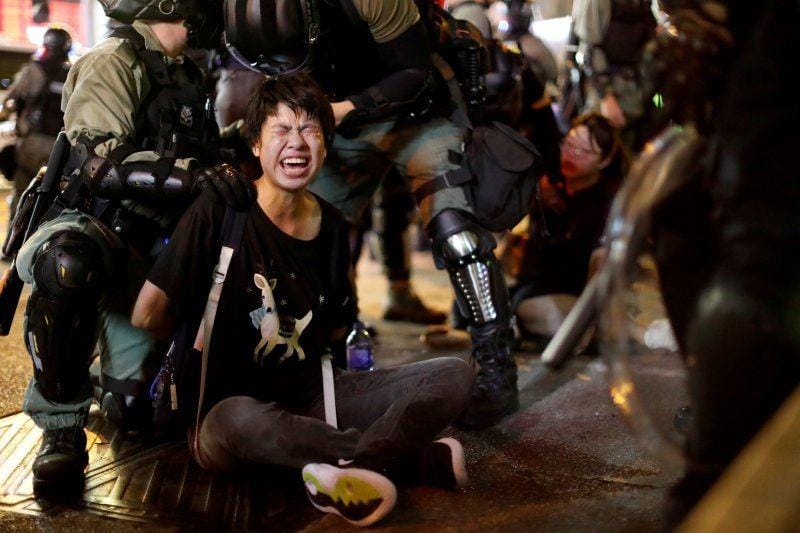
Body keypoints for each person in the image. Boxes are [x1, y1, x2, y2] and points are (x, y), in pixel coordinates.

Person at [132, 73, 475, 527]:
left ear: (325, 147)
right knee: (241, 419)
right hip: (225, 412)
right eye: (281, 130)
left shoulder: (333, 227)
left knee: (452, 374)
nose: (297, 143)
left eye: (310, 130)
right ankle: (394, 462)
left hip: (316, 400)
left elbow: (334, 330)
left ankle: (351, 466)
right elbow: (147, 313)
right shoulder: (223, 209)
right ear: (256, 144)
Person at [224, 0, 521, 429]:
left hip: (416, 113)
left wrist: (343, 109)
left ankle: (497, 371)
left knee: (457, 233)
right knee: (296, 223)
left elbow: (413, 73)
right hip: (336, 120)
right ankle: (317, 351)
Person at [14, 0, 252, 496]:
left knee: (136, 412)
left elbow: (199, 151)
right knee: (66, 265)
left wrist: (254, 138)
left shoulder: (185, 70)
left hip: (152, 251)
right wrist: (193, 175)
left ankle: (104, 371)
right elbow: (102, 163)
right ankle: (60, 428)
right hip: (98, 227)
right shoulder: (113, 61)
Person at [512, 113, 625, 345]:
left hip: (579, 294)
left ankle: (589, 330)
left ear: (604, 161)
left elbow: (601, 263)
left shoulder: (608, 203)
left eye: (584, 151)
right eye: (569, 145)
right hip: (535, 285)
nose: (571, 155)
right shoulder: (550, 183)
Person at [0, 26, 71, 220]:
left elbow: (10, 102)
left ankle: (12, 248)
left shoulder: (34, 70)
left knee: (22, 196)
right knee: (51, 199)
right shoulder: (71, 74)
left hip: (31, 145)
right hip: (59, 149)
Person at [571, 0, 656, 148]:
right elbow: (590, 48)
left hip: (637, 93)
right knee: (596, 147)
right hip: (606, 93)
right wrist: (606, 96)